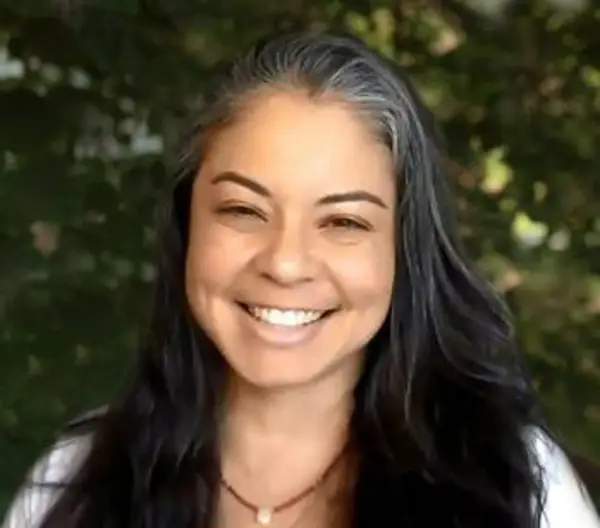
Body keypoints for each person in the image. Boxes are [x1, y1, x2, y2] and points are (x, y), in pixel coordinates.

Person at [2, 30, 599, 528]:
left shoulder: (518, 491)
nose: (285, 263)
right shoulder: (75, 483)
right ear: (187, 225)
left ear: (404, 251)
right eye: (244, 211)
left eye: (343, 222)